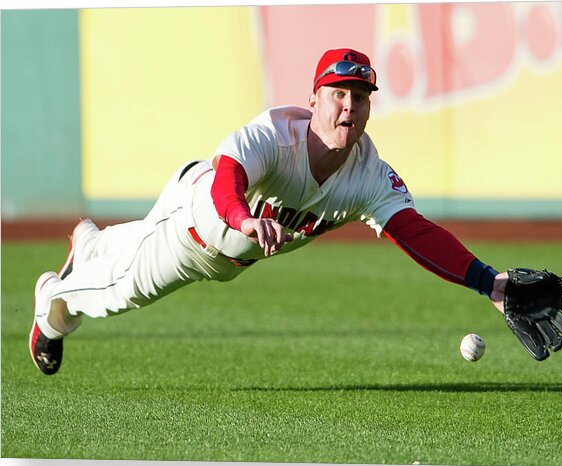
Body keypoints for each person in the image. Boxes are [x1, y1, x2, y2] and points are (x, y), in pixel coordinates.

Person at [30, 47, 512, 375]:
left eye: (360, 97)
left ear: (368, 108)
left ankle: (89, 244)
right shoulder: (275, 135)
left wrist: (488, 281)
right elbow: (228, 178)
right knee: (118, 290)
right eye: (338, 94)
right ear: (314, 100)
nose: (349, 106)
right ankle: (51, 305)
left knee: (128, 246)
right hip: (193, 232)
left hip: (215, 235)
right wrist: (243, 219)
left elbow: (415, 231)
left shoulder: (368, 174)